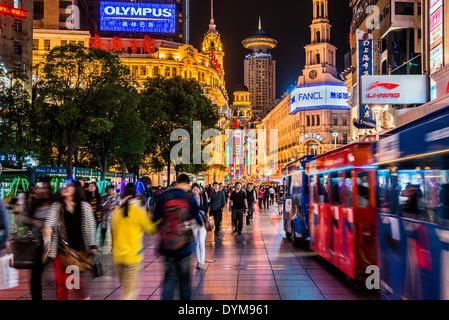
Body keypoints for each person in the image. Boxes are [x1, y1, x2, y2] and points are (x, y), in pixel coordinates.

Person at [42, 181, 97, 300]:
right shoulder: (57, 206)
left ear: (76, 189)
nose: (66, 188)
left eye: (70, 186)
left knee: (74, 282)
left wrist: (92, 246)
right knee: (61, 283)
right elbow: (49, 224)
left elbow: (91, 227)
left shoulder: (84, 206)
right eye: (65, 186)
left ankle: (83, 297)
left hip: (77, 251)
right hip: (60, 252)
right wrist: (47, 234)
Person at [153, 174, 203, 300]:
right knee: (184, 283)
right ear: (187, 184)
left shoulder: (162, 197)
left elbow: (155, 220)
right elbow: (199, 220)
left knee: (169, 280)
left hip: (167, 245)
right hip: (184, 245)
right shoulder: (189, 198)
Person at [111, 183, 159, 300]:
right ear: (135, 195)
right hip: (132, 257)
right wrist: (159, 219)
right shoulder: (138, 211)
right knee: (130, 291)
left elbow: (113, 234)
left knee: (126, 289)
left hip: (117, 256)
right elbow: (151, 229)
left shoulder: (116, 211)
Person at [17, 182, 53, 300]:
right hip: (36, 244)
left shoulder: (54, 205)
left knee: (47, 274)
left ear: (48, 191)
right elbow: (21, 218)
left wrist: (42, 225)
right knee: (35, 276)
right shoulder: (32, 204)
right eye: (38, 188)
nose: (39, 190)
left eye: (42, 188)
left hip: (51, 244)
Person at [191, 183, 208, 270]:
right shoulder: (190, 199)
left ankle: (202, 261)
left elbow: (206, 208)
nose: (196, 191)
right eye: (194, 190)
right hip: (194, 222)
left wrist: (202, 211)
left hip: (202, 222)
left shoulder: (203, 197)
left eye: (197, 190)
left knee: (201, 242)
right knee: (196, 242)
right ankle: (198, 261)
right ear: (192, 190)